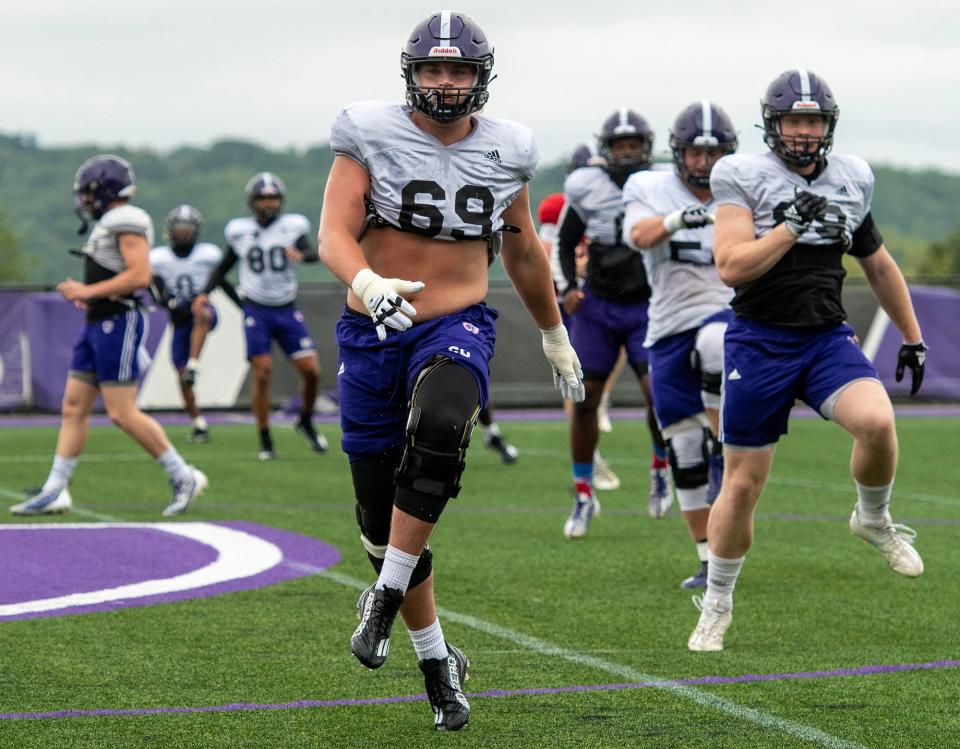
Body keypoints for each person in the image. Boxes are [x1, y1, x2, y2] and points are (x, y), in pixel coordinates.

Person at [318, 11, 584, 731]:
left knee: (441, 424)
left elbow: (524, 251)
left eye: (458, 70)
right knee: (380, 522)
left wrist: (554, 332)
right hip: (374, 325)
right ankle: (437, 660)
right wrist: (369, 281)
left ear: (481, 77)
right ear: (411, 73)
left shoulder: (508, 148)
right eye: (433, 69)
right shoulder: (368, 131)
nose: (445, 82)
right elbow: (334, 231)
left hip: (457, 321)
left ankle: (382, 595)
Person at [688, 69, 927, 652]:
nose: (803, 131)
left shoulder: (852, 179)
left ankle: (872, 518)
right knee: (742, 486)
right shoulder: (742, 175)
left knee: (877, 422)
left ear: (829, 125)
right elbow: (731, 266)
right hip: (759, 340)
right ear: (773, 126)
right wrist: (791, 227)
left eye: (813, 120)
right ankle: (717, 602)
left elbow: (878, 264)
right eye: (794, 120)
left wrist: (913, 336)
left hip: (823, 337)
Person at [10, 155, 207, 518]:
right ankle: (56, 489)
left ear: (104, 190)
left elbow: (138, 276)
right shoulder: (110, 222)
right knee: (73, 406)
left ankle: (183, 476)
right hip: (100, 320)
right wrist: (94, 297)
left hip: (118, 320)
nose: (84, 200)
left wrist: (88, 292)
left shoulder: (124, 219)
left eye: (88, 192)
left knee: (121, 412)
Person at [622, 101, 738, 588]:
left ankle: (724, 440)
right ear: (678, 152)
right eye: (695, 152)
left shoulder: (744, 187)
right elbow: (636, 236)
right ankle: (707, 557)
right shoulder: (649, 186)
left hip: (728, 315)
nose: (704, 162)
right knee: (683, 450)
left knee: (715, 343)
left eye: (713, 152)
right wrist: (678, 219)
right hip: (668, 326)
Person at [557, 110, 671, 538]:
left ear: (647, 146)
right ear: (606, 150)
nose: (626, 154)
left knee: (658, 395)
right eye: (619, 146)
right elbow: (567, 242)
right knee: (585, 402)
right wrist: (569, 285)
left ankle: (661, 466)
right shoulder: (587, 186)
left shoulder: (663, 182)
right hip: (600, 306)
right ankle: (584, 491)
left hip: (649, 305)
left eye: (633, 145)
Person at [194, 173, 327, 460]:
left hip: (286, 308)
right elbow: (223, 266)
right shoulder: (239, 231)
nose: (270, 204)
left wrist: (302, 255)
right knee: (262, 372)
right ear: (253, 202)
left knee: (312, 371)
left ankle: (304, 420)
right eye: (264, 199)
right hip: (256, 309)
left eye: (274, 198)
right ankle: (265, 439)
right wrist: (205, 292)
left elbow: (312, 252)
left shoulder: (292, 226)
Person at [537, 187, 619, 490]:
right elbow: (552, 262)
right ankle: (591, 457)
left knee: (584, 380)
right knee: (575, 383)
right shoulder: (559, 226)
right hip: (566, 315)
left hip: (581, 310)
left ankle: (602, 405)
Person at [150, 205, 241, 443]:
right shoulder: (159, 258)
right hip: (179, 319)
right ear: (170, 230)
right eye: (179, 229)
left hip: (202, 309)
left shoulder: (207, 255)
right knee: (179, 375)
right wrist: (169, 303)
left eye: (187, 229)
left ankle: (194, 364)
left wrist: (243, 307)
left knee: (202, 311)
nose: (183, 234)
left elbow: (221, 280)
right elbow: (156, 292)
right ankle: (199, 423)